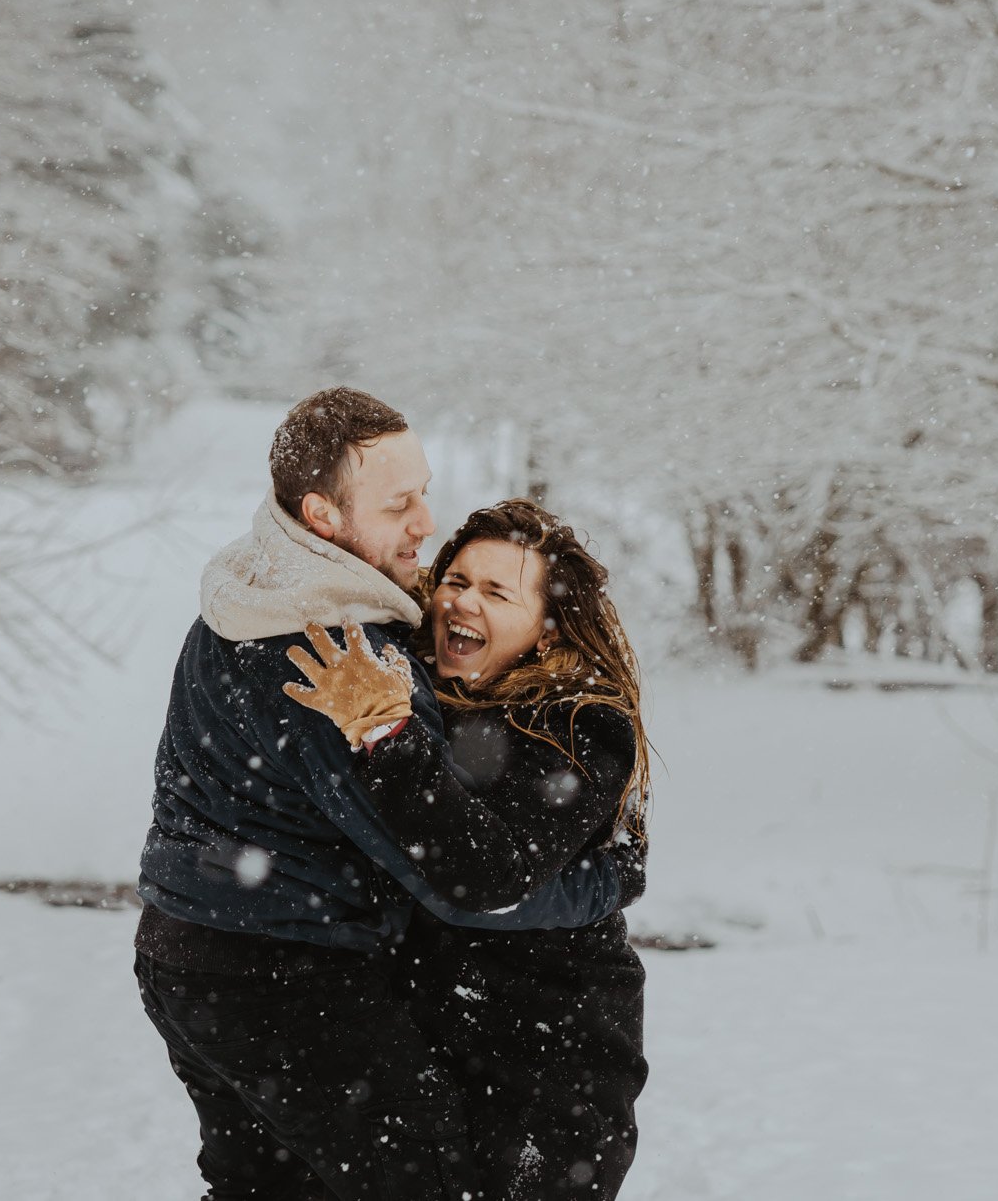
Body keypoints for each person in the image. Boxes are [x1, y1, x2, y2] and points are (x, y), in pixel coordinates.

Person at [134, 389, 636, 1201]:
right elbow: (464, 877)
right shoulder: (344, 655)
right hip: (292, 979)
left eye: (425, 493)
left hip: (187, 952)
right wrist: (610, 880)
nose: (424, 524)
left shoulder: (242, 596)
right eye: (400, 503)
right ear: (323, 514)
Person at [285, 500, 652, 1201]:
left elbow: (485, 872)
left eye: (496, 591)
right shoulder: (422, 687)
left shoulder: (580, 723)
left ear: (547, 632)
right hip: (430, 1037)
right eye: (455, 580)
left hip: (551, 1058)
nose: (463, 601)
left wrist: (385, 734)